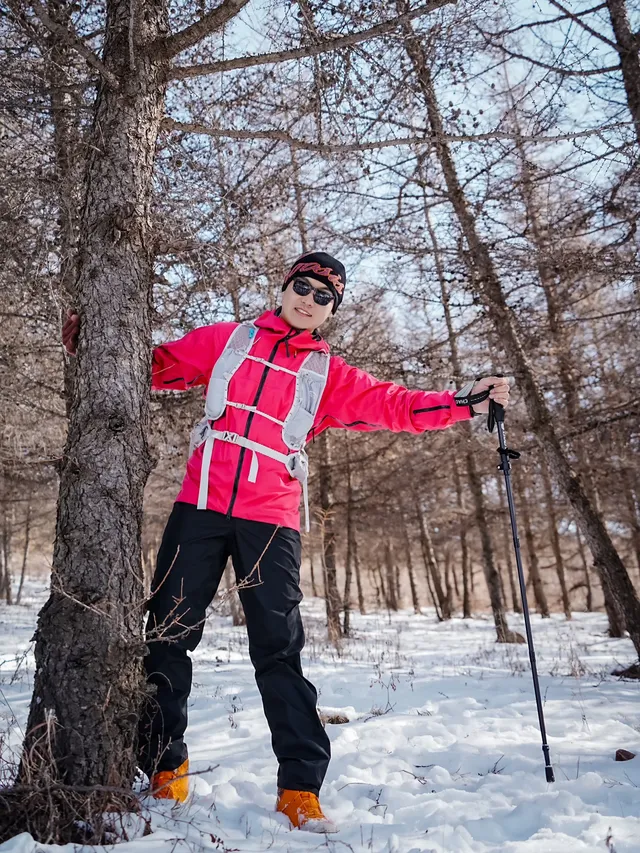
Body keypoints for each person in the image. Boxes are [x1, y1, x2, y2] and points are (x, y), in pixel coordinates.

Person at [62, 251, 510, 832]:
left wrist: (465, 402)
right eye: (303, 287)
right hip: (199, 505)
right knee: (168, 636)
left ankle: (300, 788)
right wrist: (86, 341)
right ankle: (164, 766)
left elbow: (395, 405)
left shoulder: (330, 374)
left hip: (271, 519)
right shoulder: (229, 340)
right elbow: (153, 366)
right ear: (284, 286)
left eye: (324, 297)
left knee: (279, 651)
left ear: (329, 312)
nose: (309, 300)